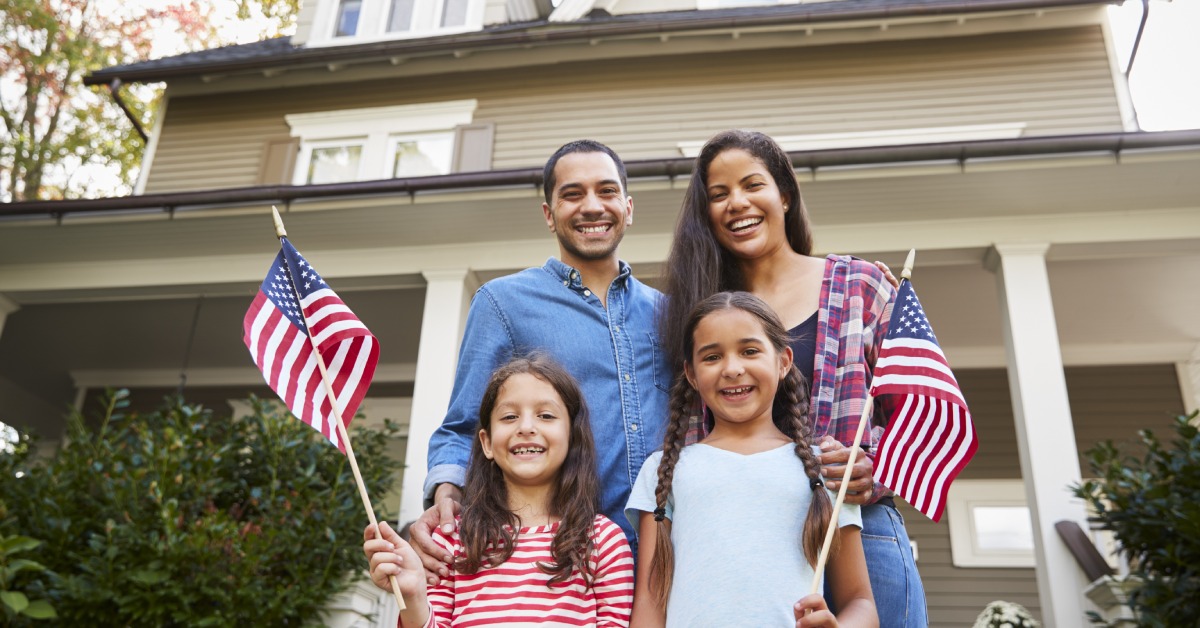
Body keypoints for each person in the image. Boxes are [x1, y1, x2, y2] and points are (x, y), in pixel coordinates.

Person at [659, 130, 926, 626]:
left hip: (859, 532)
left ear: (784, 193)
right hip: (744, 546)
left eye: (751, 185)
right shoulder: (701, 313)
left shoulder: (861, 286)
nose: (736, 203)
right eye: (718, 195)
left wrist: (877, 465)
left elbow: (919, 412)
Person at [410, 140, 670, 585]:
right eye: (572, 194)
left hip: (669, 558)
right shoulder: (502, 303)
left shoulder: (669, 313)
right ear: (549, 214)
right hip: (564, 563)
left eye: (606, 192)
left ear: (628, 208)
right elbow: (463, 425)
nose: (592, 206)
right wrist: (446, 493)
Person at [627, 292, 877, 628]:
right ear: (691, 373)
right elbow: (649, 600)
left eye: (749, 351)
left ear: (784, 361)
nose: (732, 369)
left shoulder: (824, 469)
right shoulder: (663, 471)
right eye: (712, 357)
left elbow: (861, 603)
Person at [364, 354, 635, 627]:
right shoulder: (452, 541)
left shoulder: (604, 541)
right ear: (487, 442)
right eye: (509, 416)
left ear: (572, 437)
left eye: (546, 415)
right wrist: (412, 597)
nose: (526, 427)